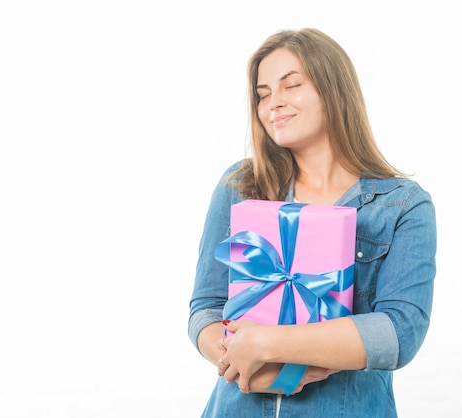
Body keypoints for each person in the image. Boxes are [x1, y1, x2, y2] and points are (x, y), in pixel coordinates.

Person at [187, 28, 437, 417]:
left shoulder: (402, 206)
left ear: (333, 91)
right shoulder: (242, 186)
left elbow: (399, 333)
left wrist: (268, 344)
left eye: (291, 85)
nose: (274, 103)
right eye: (264, 93)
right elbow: (206, 307)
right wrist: (240, 359)